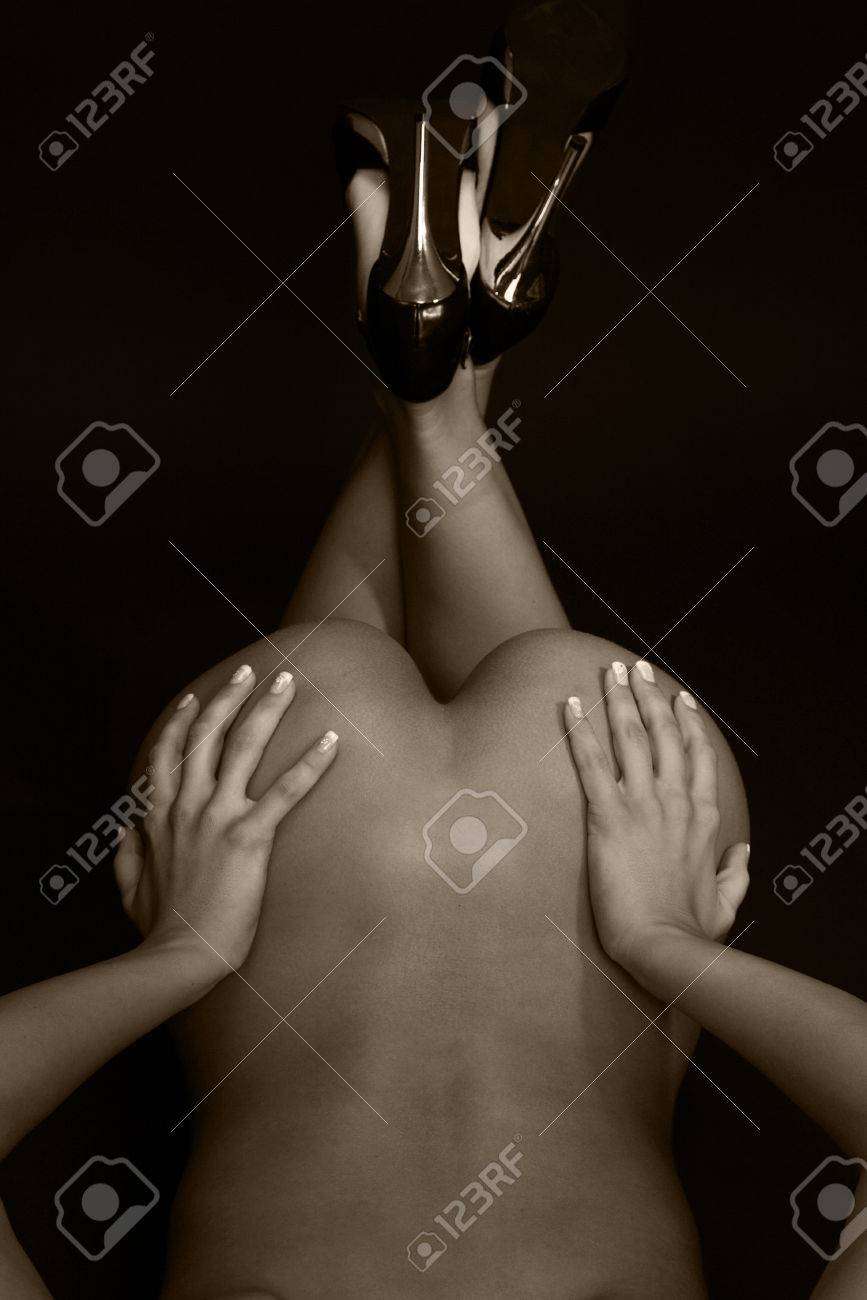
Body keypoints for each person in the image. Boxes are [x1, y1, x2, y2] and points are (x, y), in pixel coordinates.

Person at [3, 10, 866, 1295]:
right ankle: (440, 375)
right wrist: (181, 956)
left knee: (497, 667)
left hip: (580, 781)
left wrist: (667, 945)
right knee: (335, 665)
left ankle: (447, 362)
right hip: (306, 783)